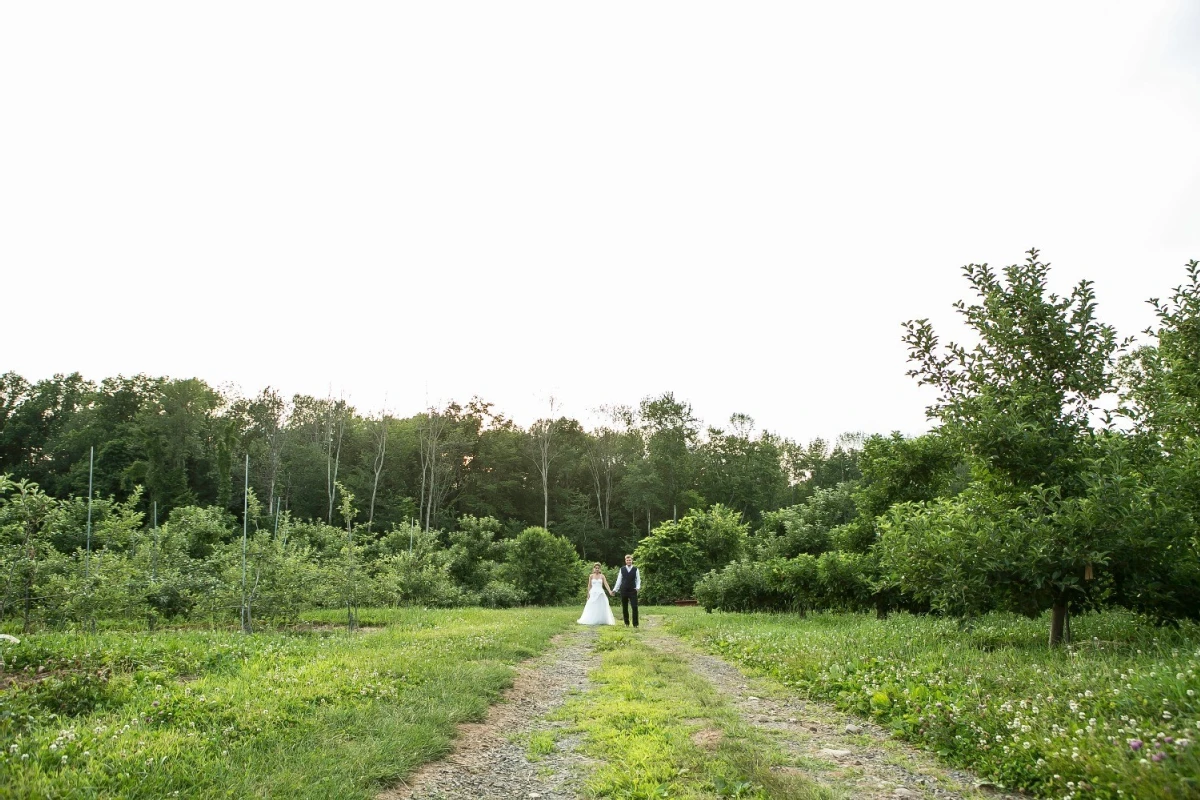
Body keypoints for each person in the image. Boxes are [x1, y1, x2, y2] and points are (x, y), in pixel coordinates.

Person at [612, 554, 640, 628]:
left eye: (630, 560)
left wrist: (637, 587)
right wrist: (615, 590)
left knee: (634, 607)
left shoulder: (636, 569)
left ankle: (635, 624)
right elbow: (619, 580)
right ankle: (626, 623)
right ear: (625, 561)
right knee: (625, 607)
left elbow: (638, 580)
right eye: (627, 560)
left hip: (633, 590)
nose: (628, 561)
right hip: (624, 590)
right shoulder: (622, 569)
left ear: (632, 560)